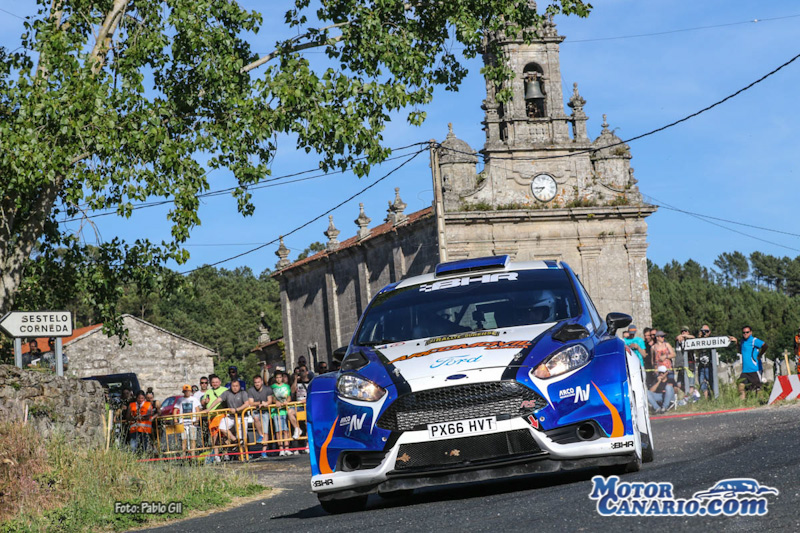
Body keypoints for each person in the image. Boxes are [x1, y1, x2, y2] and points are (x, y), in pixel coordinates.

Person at [729, 326, 768, 400]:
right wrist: (736, 342)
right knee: (740, 386)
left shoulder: (754, 340)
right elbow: (740, 351)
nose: (745, 334)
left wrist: (760, 355)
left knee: (758, 389)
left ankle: (762, 401)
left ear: (751, 332)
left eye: (747, 332)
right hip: (745, 370)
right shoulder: (742, 341)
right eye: (744, 332)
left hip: (754, 369)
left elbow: (765, 345)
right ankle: (742, 403)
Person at [208, 380, 250, 447]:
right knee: (222, 427)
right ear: (231, 386)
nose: (235, 388)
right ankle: (235, 440)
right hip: (231, 416)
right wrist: (209, 409)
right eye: (233, 386)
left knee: (241, 436)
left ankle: (244, 451)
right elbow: (218, 400)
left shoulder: (243, 393)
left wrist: (236, 410)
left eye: (236, 386)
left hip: (241, 416)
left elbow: (247, 404)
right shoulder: (227, 392)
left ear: (239, 386)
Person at [271, 372, 302, 456]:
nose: (279, 379)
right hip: (276, 411)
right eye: (277, 378)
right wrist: (275, 401)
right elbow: (272, 397)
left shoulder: (287, 386)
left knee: (286, 430)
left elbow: (289, 396)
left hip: (285, 410)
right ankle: (281, 449)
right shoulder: (273, 387)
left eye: (280, 377)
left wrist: (287, 401)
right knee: (278, 431)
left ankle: (287, 448)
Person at [246, 375, 275, 458]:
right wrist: (261, 402)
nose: (257, 384)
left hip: (265, 411)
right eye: (255, 382)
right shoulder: (251, 390)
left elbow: (270, 400)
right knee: (255, 418)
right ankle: (260, 435)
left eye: (258, 382)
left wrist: (266, 403)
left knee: (266, 431)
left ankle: (264, 451)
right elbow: (251, 402)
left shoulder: (268, 389)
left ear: (262, 382)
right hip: (256, 410)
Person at [177, 385, 202, 451]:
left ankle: (193, 453)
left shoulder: (194, 399)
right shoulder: (180, 400)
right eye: (185, 391)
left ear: (190, 391)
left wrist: (197, 420)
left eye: (188, 391)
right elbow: (175, 409)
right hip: (183, 422)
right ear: (183, 392)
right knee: (183, 439)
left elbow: (197, 410)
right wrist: (175, 420)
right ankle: (184, 453)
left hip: (192, 422)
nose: (187, 392)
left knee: (193, 439)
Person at [694, 325, 713, 399]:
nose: (705, 333)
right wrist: (699, 338)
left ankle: (713, 397)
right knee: (702, 382)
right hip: (701, 365)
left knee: (711, 382)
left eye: (707, 331)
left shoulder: (712, 340)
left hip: (709, 365)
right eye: (703, 331)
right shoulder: (699, 341)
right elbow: (696, 350)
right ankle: (706, 399)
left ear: (709, 332)